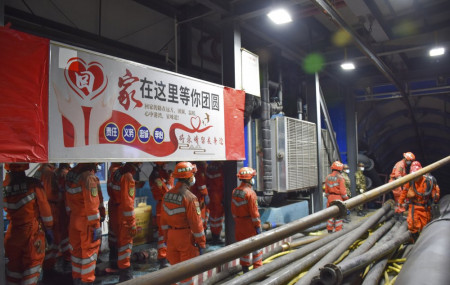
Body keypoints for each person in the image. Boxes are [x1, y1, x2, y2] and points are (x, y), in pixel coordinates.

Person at [3, 163, 54, 285]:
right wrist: (49, 228)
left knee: (13, 271)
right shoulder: (33, 185)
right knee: (32, 268)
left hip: (12, 234)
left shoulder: (4, 187)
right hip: (31, 235)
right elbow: (45, 211)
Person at [160, 162, 206, 285]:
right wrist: (201, 242)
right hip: (186, 238)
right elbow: (196, 224)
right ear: (189, 178)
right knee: (186, 274)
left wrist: (165, 237)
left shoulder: (167, 195)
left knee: (174, 274)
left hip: (171, 237)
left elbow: (163, 220)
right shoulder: (190, 198)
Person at [65, 163, 102, 285]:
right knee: (89, 253)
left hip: (73, 219)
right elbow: (91, 206)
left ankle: (77, 278)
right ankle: (87, 280)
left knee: (76, 252)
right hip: (87, 221)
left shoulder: (71, 174)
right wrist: (95, 225)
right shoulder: (88, 177)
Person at [111, 162, 142, 281]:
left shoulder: (115, 172)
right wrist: (131, 224)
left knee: (119, 242)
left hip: (115, 210)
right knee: (125, 245)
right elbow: (128, 204)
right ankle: (126, 277)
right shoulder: (128, 177)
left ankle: (121, 270)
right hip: (123, 215)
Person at [398, 161, 440, 241]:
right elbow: (404, 192)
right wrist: (400, 202)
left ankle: (422, 241)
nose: (416, 177)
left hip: (425, 208)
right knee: (412, 224)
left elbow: (435, 193)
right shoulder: (410, 181)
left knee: (425, 226)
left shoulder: (428, 181)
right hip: (414, 207)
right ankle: (413, 241)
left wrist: (435, 197)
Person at [231, 167, 262, 273]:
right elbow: (254, 213)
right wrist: (257, 226)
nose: (254, 179)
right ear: (249, 179)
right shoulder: (250, 193)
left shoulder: (235, 191)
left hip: (239, 224)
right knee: (256, 246)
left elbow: (233, 209)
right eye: (252, 177)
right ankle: (258, 269)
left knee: (243, 247)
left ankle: (245, 269)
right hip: (249, 224)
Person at [33, 163, 60, 281]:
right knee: (52, 243)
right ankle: (49, 269)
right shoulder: (49, 173)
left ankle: (46, 269)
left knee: (45, 243)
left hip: (39, 212)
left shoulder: (38, 171)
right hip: (50, 208)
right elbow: (51, 194)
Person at [149, 162, 174, 268]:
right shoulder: (155, 176)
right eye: (165, 164)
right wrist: (170, 178)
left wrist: (169, 177)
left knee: (168, 234)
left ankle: (167, 256)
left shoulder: (164, 174)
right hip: (162, 207)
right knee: (163, 234)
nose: (167, 165)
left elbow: (170, 189)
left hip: (168, 206)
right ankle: (163, 259)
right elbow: (166, 192)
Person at [55, 163, 72, 272]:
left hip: (57, 208)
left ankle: (63, 261)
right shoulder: (66, 175)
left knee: (61, 235)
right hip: (64, 210)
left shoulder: (55, 173)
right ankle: (67, 261)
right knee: (66, 236)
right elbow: (67, 194)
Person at [106, 162, 123, 269]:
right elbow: (118, 192)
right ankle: (117, 262)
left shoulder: (113, 169)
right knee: (119, 233)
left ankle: (113, 257)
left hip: (113, 204)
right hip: (118, 206)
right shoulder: (117, 171)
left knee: (113, 232)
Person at [324, 161, 348, 233]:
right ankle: (338, 230)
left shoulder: (328, 177)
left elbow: (326, 191)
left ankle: (329, 229)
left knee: (330, 214)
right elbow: (343, 192)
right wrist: (346, 199)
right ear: (340, 169)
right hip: (338, 198)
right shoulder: (340, 178)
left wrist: (329, 197)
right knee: (339, 214)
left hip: (330, 198)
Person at [206, 161, 224, 244]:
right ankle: (216, 237)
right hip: (218, 195)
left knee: (214, 216)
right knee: (217, 217)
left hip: (211, 194)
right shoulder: (221, 167)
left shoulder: (209, 167)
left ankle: (215, 236)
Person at [190, 161, 210, 230]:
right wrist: (206, 194)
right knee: (200, 218)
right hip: (199, 199)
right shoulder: (198, 171)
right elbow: (202, 186)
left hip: (194, 198)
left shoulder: (192, 169)